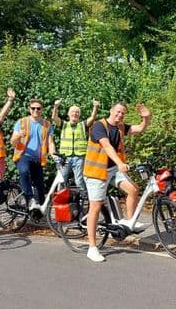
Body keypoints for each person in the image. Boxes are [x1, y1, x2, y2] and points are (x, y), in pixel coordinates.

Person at [83, 101, 151, 262]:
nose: (120, 115)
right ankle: (92, 248)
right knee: (96, 206)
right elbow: (106, 146)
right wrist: (120, 163)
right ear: (111, 111)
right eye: (118, 112)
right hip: (96, 172)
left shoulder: (120, 127)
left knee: (133, 190)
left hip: (112, 170)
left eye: (123, 113)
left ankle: (129, 222)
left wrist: (147, 118)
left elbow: (139, 128)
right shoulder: (100, 126)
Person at [10, 99, 57, 211]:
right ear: (29, 109)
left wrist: (54, 155)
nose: (36, 110)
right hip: (23, 155)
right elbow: (12, 142)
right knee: (24, 171)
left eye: (38, 108)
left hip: (38, 158)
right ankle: (30, 198)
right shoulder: (21, 122)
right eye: (33, 108)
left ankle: (40, 210)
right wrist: (18, 136)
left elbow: (50, 143)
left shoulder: (47, 125)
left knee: (40, 185)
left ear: (42, 110)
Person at [51, 98, 100, 189]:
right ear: (68, 114)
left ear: (79, 114)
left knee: (79, 180)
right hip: (65, 158)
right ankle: (59, 200)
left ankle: (83, 199)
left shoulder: (82, 125)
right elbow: (54, 117)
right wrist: (56, 107)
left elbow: (92, 118)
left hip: (79, 157)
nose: (75, 113)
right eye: (73, 112)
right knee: (62, 179)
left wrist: (95, 107)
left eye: (77, 112)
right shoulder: (64, 124)